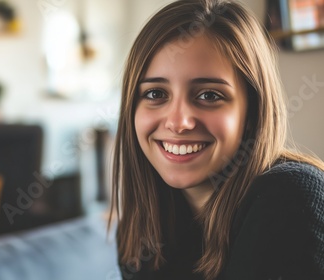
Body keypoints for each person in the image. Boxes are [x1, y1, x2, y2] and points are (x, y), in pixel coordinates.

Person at [109, 0, 324, 279]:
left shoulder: (291, 197)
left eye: (209, 95)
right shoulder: (139, 229)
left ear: (252, 111)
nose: (178, 122)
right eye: (155, 94)